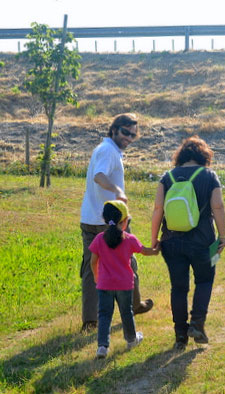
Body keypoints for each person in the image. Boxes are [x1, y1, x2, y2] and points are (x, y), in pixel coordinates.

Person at [80, 113, 153, 332]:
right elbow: (99, 176)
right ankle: (134, 304)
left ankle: (91, 320)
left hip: (90, 219)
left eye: (132, 134)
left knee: (91, 265)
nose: (128, 138)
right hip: (110, 221)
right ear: (114, 129)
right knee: (127, 260)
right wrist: (117, 189)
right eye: (125, 132)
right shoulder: (109, 151)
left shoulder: (105, 149)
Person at [151, 136, 225, 350]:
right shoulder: (209, 176)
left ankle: (180, 336)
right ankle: (197, 323)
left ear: (181, 156)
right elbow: (218, 207)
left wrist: (154, 239)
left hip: (171, 241)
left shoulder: (167, 177)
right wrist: (223, 236)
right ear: (203, 156)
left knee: (178, 288)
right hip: (203, 241)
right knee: (204, 281)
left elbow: (158, 209)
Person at [90, 200, 160, 359]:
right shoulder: (129, 239)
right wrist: (156, 250)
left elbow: (93, 261)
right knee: (126, 313)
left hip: (104, 285)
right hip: (124, 285)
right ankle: (131, 340)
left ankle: (102, 346)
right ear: (124, 221)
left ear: (105, 220)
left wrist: (96, 276)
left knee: (104, 315)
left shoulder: (99, 239)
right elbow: (145, 251)